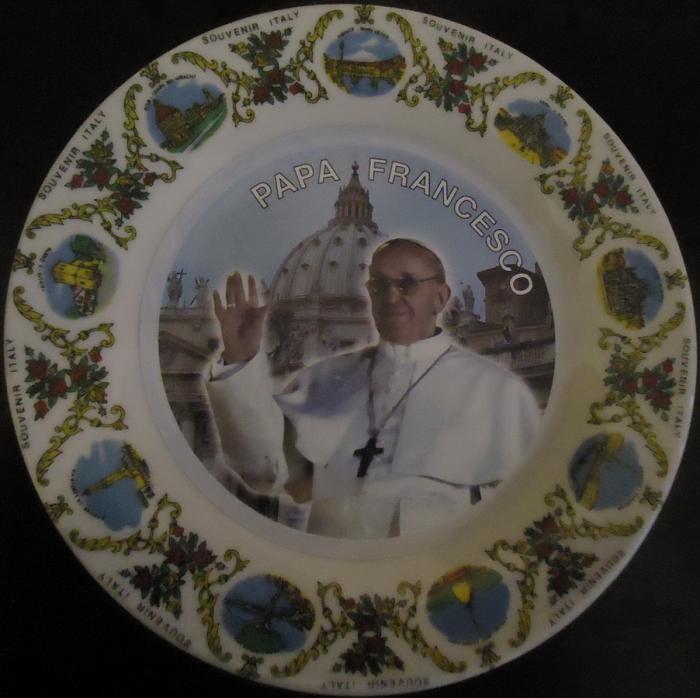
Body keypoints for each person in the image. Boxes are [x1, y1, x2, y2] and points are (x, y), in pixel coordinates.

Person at [205, 239, 541, 538]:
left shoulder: (497, 390)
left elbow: (523, 516)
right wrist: (240, 358)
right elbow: (264, 471)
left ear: (440, 298)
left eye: (406, 284)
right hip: (335, 574)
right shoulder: (321, 379)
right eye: (379, 286)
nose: (391, 297)